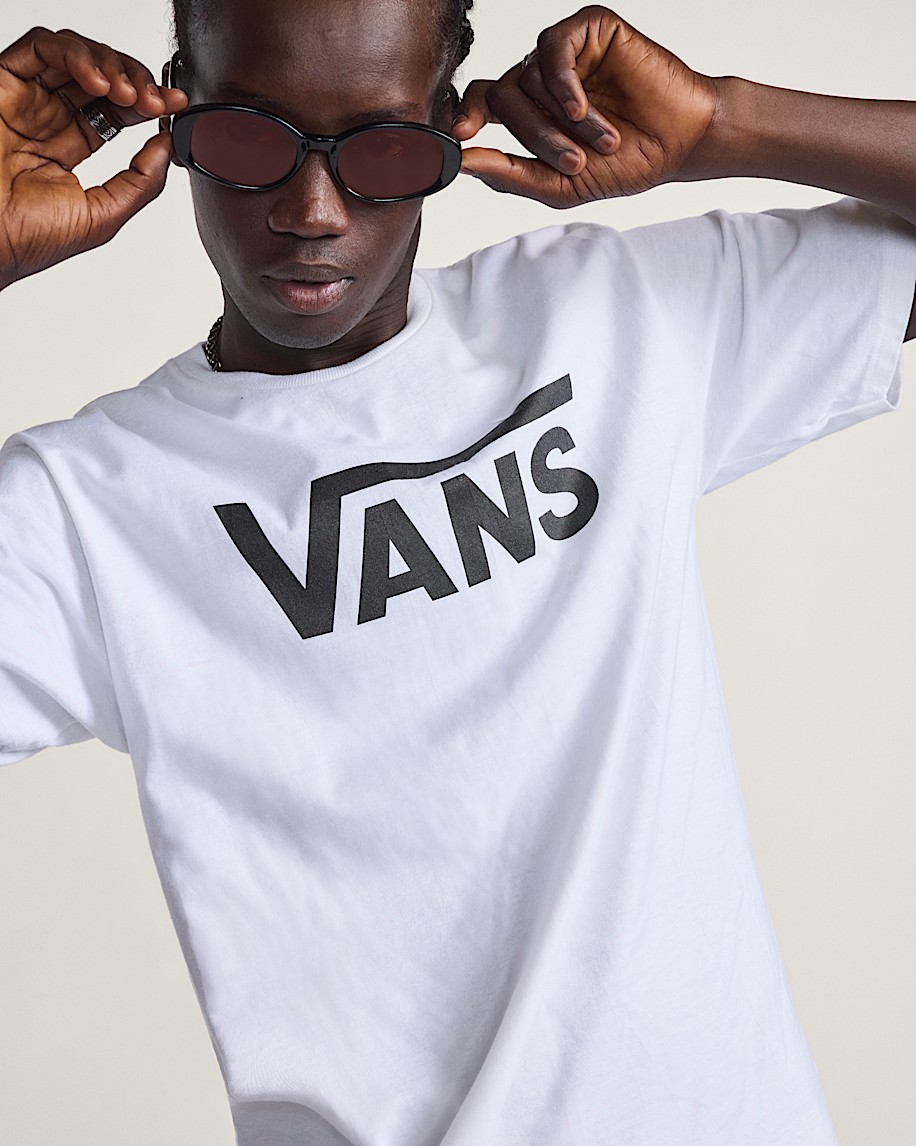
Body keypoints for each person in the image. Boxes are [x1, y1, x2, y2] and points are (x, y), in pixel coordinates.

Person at [1, 1, 914, 1143]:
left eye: (383, 151)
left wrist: (725, 123)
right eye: (248, 138)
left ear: (449, 127)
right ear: (176, 113)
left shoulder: (612, 318)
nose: (311, 211)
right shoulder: (87, 508)